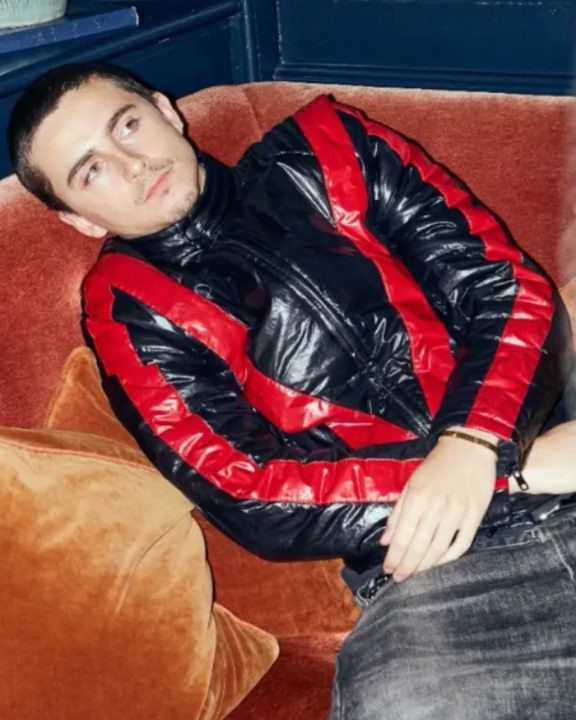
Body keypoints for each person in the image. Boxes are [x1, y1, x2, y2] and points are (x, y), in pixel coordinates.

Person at [9, 62, 576, 718]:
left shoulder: (333, 146)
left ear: (165, 110)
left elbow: (505, 290)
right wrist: (506, 470)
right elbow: (248, 488)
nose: (132, 165)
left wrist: (475, 440)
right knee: (397, 707)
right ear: (79, 219)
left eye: (127, 126)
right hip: (436, 572)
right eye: (91, 171)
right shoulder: (132, 311)